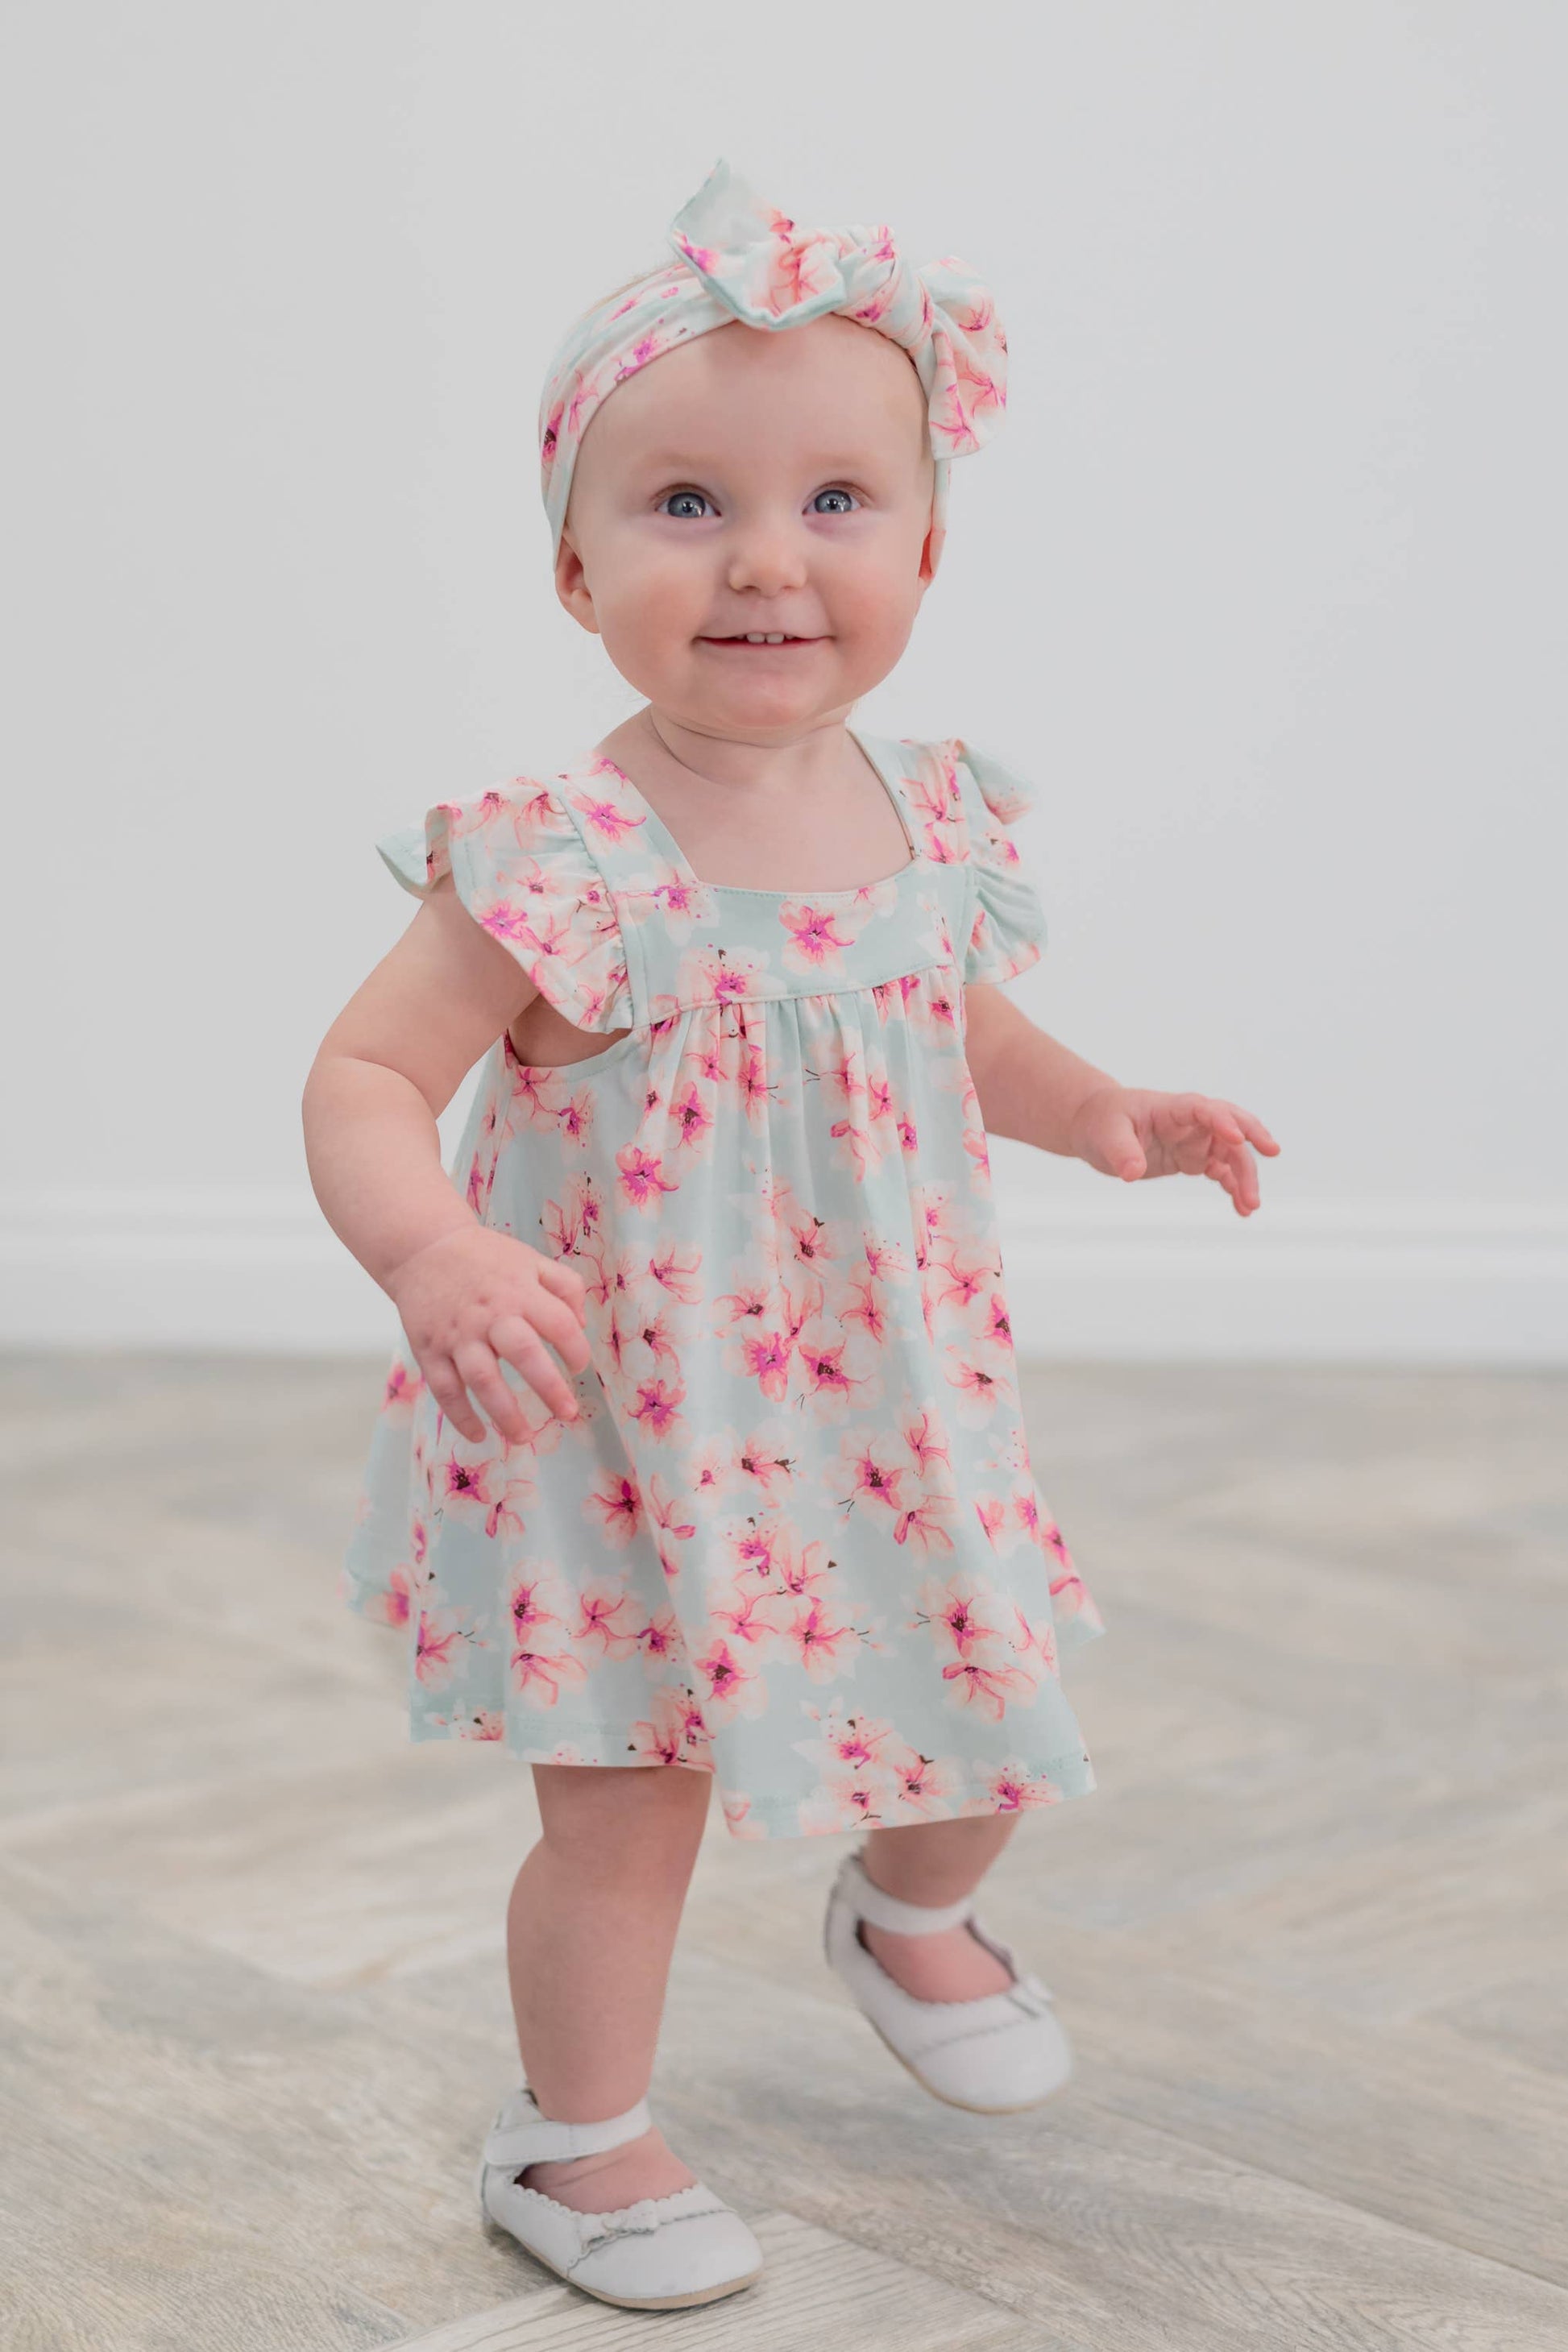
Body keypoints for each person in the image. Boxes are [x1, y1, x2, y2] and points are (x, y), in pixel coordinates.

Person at [302, 156, 1280, 2314]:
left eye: (836, 500)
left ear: (925, 548)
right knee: (624, 1810)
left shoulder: (929, 814)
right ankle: (575, 2141)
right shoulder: (553, 857)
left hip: (888, 1408)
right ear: (576, 566)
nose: (765, 559)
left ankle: (906, 1913)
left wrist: (1099, 1112)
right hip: (623, 1433)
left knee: (992, 1705)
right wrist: (432, 1254)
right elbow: (364, 1076)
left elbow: (959, 1026)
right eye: (686, 506)